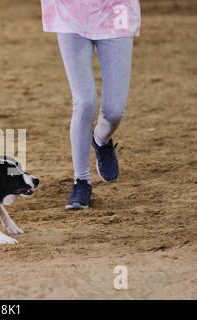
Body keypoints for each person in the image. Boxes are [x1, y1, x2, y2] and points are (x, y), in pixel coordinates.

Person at [41, 0, 141, 209]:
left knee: (114, 111)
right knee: (84, 102)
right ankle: (81, 182)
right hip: (69, 14)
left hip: (116, 12)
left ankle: (101, 140)